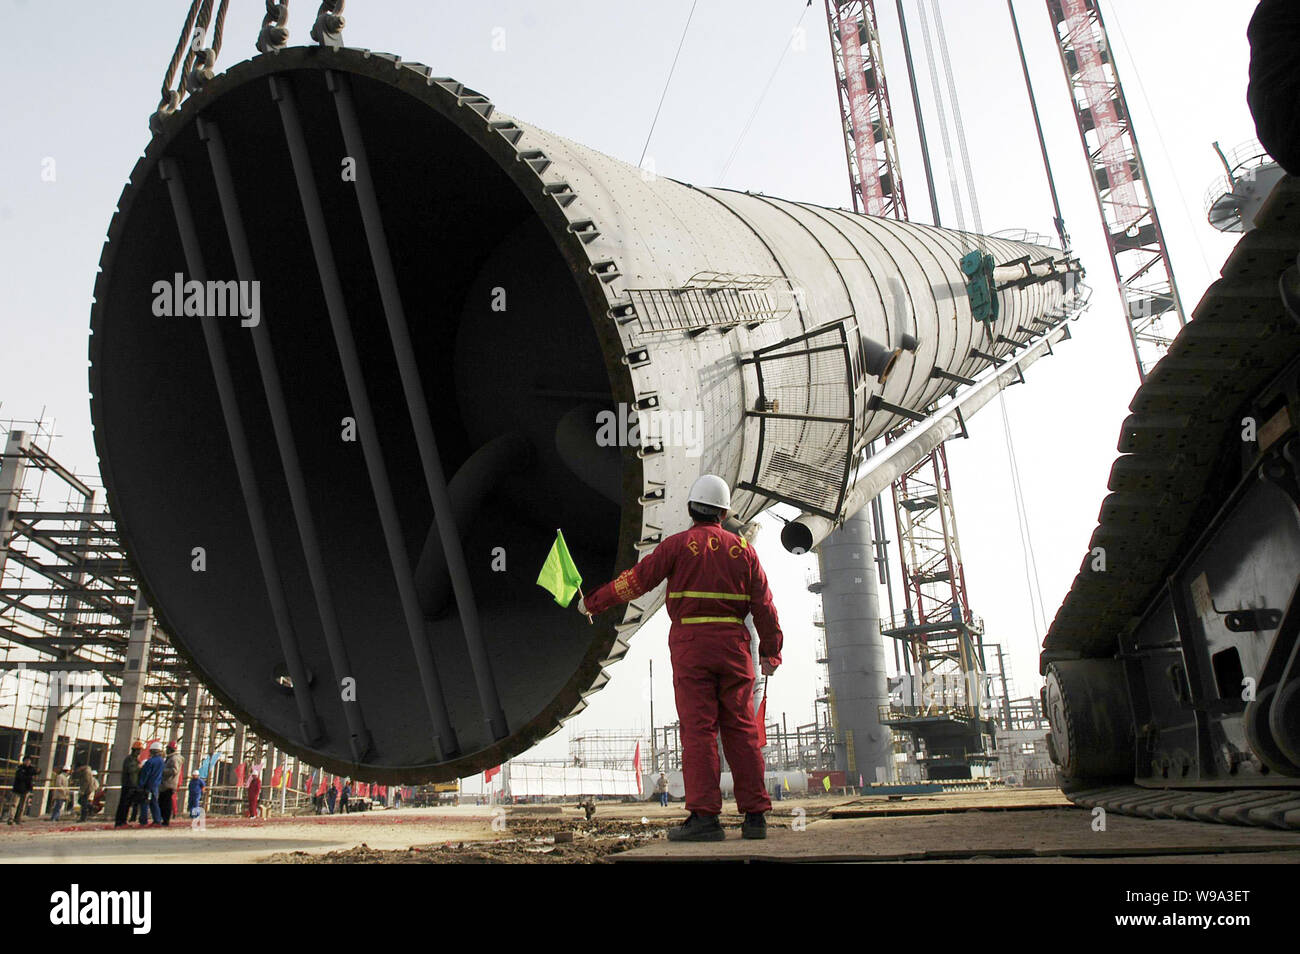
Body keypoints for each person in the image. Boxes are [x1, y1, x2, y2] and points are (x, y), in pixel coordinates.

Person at [580, 475, 782, 842]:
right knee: (741, 730)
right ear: (724, 513)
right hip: (735, 650)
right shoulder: (744, 551)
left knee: (699, 732)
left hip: (692, 648)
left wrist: (593, 602)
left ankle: (705, 819)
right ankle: (755, 818)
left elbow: (635, 582)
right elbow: (765, 606)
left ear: (691, 509)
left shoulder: (677, 546)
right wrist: (771, 652)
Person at [136, 742, 165, 826]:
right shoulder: (161, 761)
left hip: (148, 786)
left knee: (145, 802)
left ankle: (143, 820)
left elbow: (145, 774)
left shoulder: (150, 762)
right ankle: (157, 820)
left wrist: (140, 785)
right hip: (156, 786)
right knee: (154, 803)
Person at [9, 756, 37, 825]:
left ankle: (18, 819)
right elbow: (21, 777)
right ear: (24, 761)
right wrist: (29, 776)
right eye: (26, 760)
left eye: (29, 761)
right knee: (14, 804)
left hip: (26, 790)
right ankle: (11, 818)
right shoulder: (20, 768)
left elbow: (37, 772)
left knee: (22, 806)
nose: (28, 762)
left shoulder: (31, 769)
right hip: (17, 790)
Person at [159, 742, 182, 826]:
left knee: (166, 803)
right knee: (162, 802)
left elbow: (174, 770)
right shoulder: (170, 758)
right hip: (166, 784)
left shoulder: (174, 759)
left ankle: (166, 820)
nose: (166, 750)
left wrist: (162, 770)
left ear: (171, 749)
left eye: (167, 749)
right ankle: (164, 819)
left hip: (169, 784)